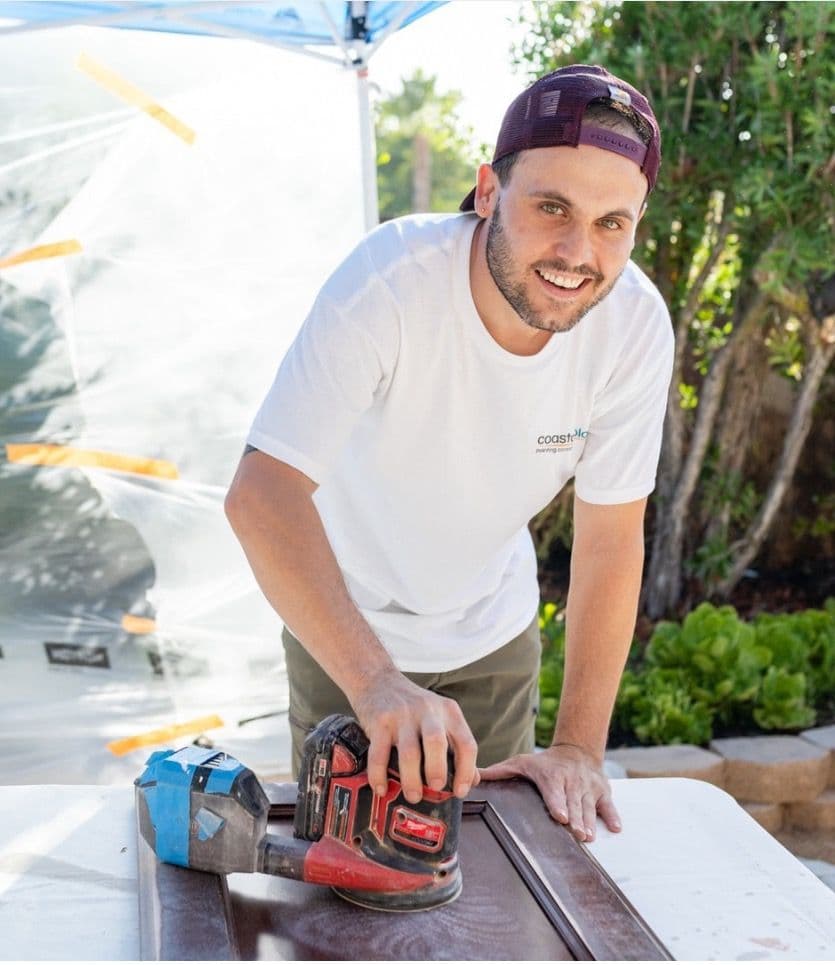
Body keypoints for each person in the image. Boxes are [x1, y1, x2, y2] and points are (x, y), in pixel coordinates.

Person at [225, 64, 673, 843]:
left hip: (491, 636)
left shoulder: (632, 325)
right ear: (490, 192)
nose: (577, 250)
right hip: (344, 629)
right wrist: (374, 683)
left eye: (611, 223)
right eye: (551, 206)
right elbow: (260, 494)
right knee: (345, 884)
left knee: (487, 879)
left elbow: (609, 539)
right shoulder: (391, 280)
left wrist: (576, 749)